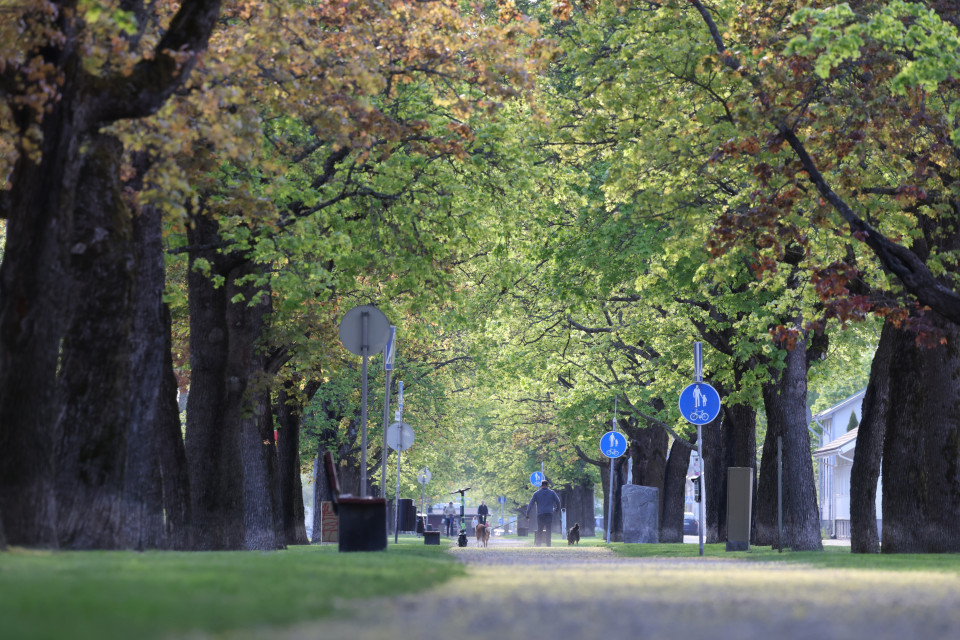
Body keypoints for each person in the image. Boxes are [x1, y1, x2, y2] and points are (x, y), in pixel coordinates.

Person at [527, 479, 562, 546]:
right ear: (548, 486)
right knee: (548, 529)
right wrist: (557, 510)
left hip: (540, 514)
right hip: (549, 513)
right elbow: (558, 502)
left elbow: (531, 503)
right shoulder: (552, 493)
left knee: (540, 529)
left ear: (541, 486)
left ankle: (538, 544)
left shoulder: (536, 493)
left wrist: (527, 513)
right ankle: (548, 544)